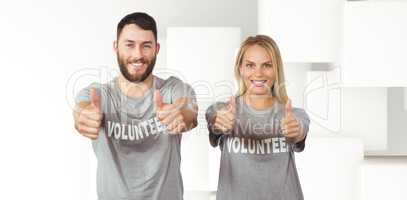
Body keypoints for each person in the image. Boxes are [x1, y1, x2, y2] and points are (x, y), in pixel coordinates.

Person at [73, 12, 198, 200]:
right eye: (129, 45)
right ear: (116, 47)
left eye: (146, 46)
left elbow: (189, 110)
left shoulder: (173, 89)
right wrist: (84, 116)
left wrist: (183, 115)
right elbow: (82, 109)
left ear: (156, 48)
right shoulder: (98, 95)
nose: (138, 55)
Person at [205, 35, 310, 200]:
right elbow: (214, 122)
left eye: (267, 65)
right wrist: (219, 124)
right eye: (250, 65)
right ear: (240, 68)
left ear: (276, 69)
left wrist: (295, 130)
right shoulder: (222, 110)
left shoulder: (294, 115)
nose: (258, 73)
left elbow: (300, 130)